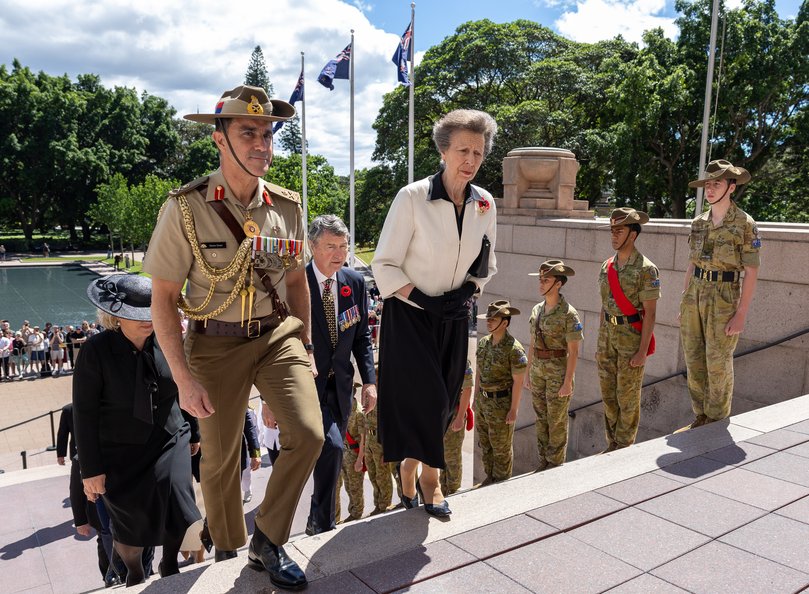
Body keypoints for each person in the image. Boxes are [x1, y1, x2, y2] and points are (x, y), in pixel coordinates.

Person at [144, 84, 323, 591]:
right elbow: (162, 298)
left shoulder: (286, 207)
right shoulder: (184, 208)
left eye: (268, 134)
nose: (262, 144)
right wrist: (182, 378)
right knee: (220, 458)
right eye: (249, 133)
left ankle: (267, 537)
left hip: (275, 336)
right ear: (219, 139)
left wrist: (306, 346)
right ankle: (227, 547)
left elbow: (294, 283)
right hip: (214, 343)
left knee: (308, 433)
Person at [372, 109, 499, 517]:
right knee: (427, 399)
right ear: (443, 151)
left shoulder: (485, 203)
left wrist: (468, 291)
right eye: (463, 149)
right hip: (410, 314)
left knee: (444, 401)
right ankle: (432, 480)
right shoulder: (412, 197)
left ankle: (409, 466)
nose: (471, 159)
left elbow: (487, 262)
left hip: (455, 314)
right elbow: (384, 263)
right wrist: (423, 298)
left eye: (478, 152)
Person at [72, 274, 201, 587]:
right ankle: (135, 572)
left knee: (176, 498)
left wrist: (194, 431)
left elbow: (184, 386)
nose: (148, 321)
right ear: (116, 317)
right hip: (119, 448)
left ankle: (170, 564)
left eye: (153, 312)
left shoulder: (169, 339)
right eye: (138, 316)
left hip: (170, 435)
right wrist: (91, 470)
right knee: (130, 518)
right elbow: (84, 414)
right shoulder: (95, 351)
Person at [304, 214, 376, 535]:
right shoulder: (297, 284)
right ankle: (323, 522)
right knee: (332, 447)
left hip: (342, 388)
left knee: (329, 454)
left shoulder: (355, 283)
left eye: (344, 246)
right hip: (306, 387)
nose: (339, 253)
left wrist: (370, 381)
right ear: (312, 247)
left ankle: (316, 519)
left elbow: (361, 337)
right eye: (331, 246)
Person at [681, 160, 761, 427]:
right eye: (708, 184)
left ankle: (716, 420)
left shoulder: (744, 223)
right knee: (693, 358)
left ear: (732, 186)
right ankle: (700, 415)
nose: (711, 189)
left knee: (718, 361)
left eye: (717, 183)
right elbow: (692, 263)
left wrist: (741, 314)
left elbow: (751, 271)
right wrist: (685, 299)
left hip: (724, 295)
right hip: (695, 293)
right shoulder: (698, 222)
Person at [597, 208, 660, 452]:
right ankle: (612, 442)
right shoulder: (607, 266)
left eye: (619, 231)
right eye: (612, 230)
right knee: (608, 396)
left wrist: (642, 351)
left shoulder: (646, 269)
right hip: (607, 339)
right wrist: (599, 342)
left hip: (631, 339)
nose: (613, 235)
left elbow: (651, 313)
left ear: (632, 235)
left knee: (627, 397)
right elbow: (604, 306)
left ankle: (623, 446)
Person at [526, 260, 583, 470]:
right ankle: (544, 461)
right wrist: (528, 372)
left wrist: (567, 382)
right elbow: (532, 343)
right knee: (541, 418)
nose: (541, 284)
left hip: (558, 373)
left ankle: (555, 464)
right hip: (538, 371)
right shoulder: (536, 310)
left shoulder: (569, 313)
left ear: (558, 284)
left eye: (546, 280)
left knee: (557, 420)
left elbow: (574, 351)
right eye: (540, 279)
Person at [474, 301, 527, 485]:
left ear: (504, 323)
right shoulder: (483, 343)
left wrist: (514, 409)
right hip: (483, 402)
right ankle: (490, 478)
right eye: (488, 319)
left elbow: (519, 382)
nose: (488, 322)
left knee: (501, 448)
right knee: (485, 445)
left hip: (501, 405)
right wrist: (475, 400)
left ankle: (502, 483)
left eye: (493, 319)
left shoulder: (514, 349)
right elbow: (479, 372)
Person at [440, 360, 474, 495]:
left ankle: (453, 491)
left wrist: (460, 417)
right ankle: (443, 491)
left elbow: (467, 388)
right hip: (439, 415)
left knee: (452, 457)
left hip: (454, 414)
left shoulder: (459, 358)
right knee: (441, 457)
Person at [335, 394, 367, 524]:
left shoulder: (358, 411)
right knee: (347, 485)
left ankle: (357, 514)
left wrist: (360, 459)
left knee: (355, 486)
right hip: (343, 451)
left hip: (353, 453)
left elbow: (363, 438)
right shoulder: (343, 408)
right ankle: (346, 514)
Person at [241, 406, 261, 504]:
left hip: (246, 447)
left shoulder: (250, 411)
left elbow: (253, 430)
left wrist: (256, 453)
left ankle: (247, 490)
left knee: (246, 472)